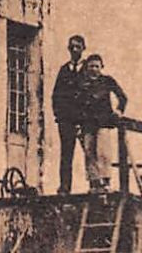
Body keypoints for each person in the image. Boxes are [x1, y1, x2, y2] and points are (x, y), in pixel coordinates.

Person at [72, 54, 126, 191]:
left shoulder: (107, 81)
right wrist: (78, 124)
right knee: (89, 153)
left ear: (101, 67)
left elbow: (122, 97)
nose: (94, 69)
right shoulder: (81, 84)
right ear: (86, 68)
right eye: (91, 66)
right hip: (87, 124)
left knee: (103, 153)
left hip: (103, 122)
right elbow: (77, 105)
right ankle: (94, 183)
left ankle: (106, 182)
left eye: (97, 66)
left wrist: (119, 110)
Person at [50, 34, 86, 194]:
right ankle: (65, 187)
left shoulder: (88, 69)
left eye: (78, 47)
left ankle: (95, 185)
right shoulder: (64, 70)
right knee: (66, 154)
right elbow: (56, 94)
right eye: (72, 47)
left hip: (85, 120)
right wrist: (59, 115)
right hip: (66, 120)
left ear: (83, 49)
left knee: (90, 153)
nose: (75, 50)